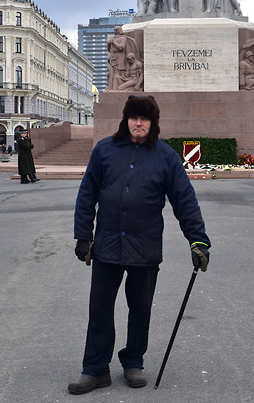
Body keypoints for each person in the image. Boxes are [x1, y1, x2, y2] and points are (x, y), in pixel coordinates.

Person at [69, 95, 211, 395]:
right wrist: (83, 235)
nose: (138, 123)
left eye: (144, 119)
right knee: (100, 310)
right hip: (107, 245)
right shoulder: (105, 149)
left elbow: (184, 199)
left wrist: (197, 240)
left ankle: (133, 361)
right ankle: (95, 369)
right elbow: (87, 194)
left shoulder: (165, 156)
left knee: (140, 309)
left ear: (152, 123)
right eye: (134, 117)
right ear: (126, 119)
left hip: (145, 248)